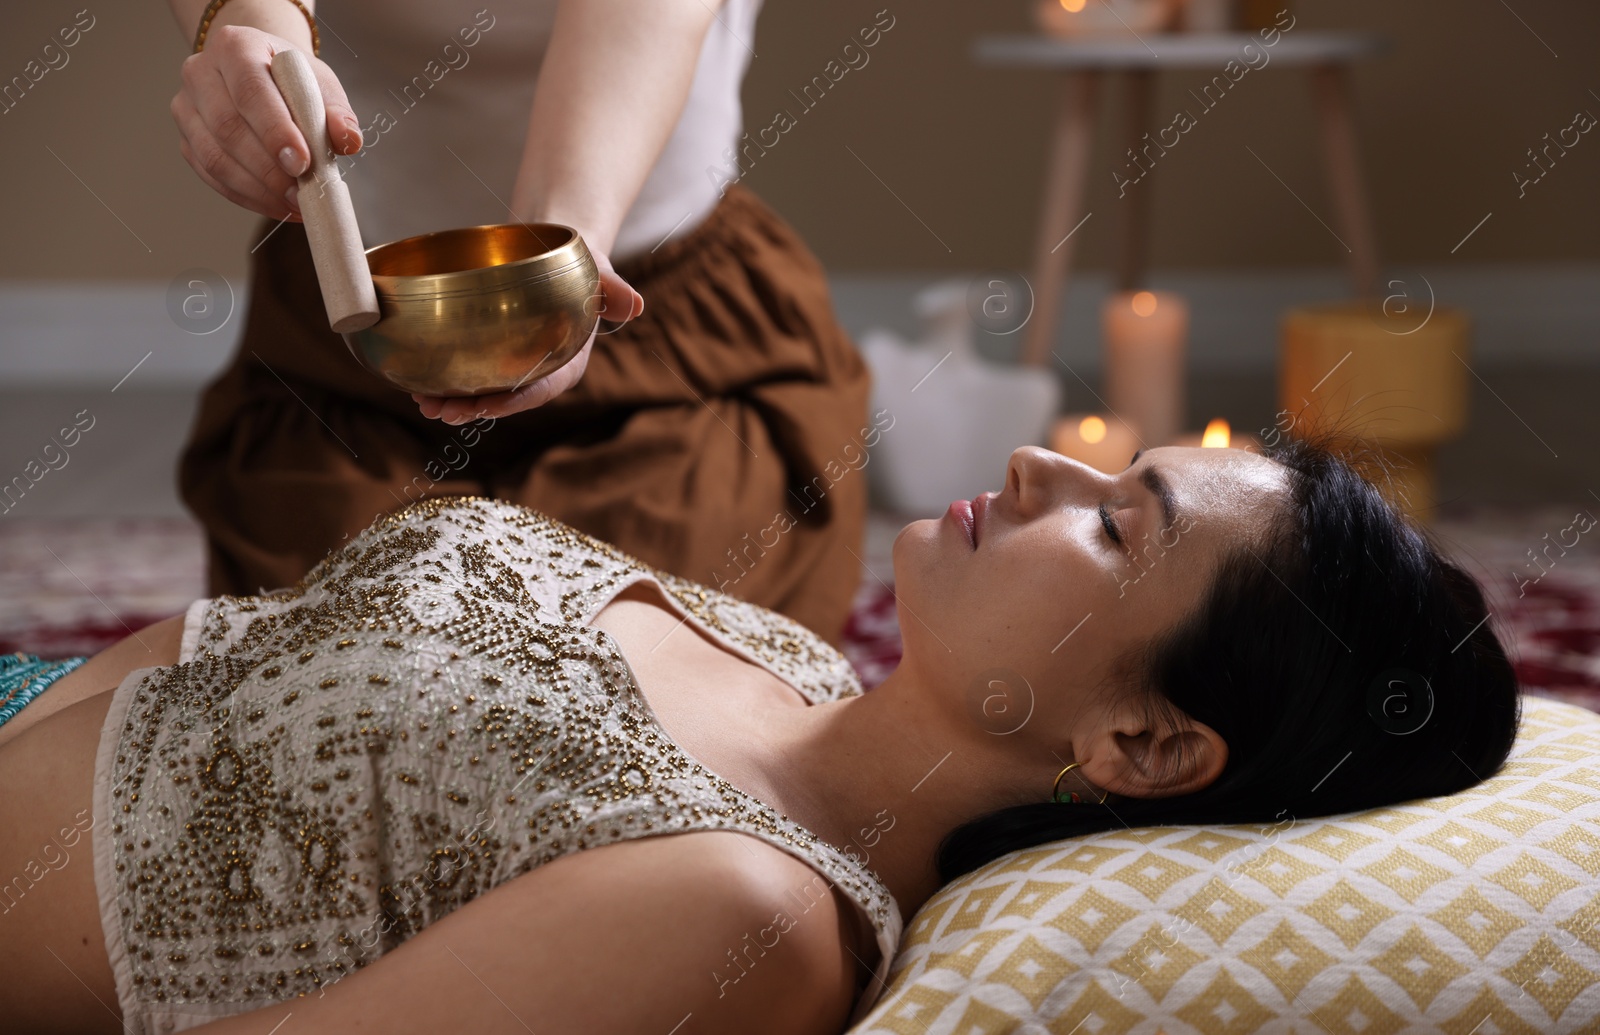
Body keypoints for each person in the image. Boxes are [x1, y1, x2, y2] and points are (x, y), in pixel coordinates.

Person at [0, 440, 1518, 1034]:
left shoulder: (747, 913)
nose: (1046, 459)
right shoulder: (782, 656)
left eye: (1119, 522)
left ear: (1144, 742)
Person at [160, 0, 871, 644]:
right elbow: (262, 17)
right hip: (356, 353)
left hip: (668, 342)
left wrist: (561, 259)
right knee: (350, 650)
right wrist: (255, 44)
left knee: (635, 648)